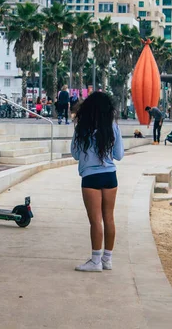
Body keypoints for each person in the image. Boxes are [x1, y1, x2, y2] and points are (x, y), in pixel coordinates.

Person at [71, 92, 124, 272]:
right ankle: (107, 259)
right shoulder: (113, 127)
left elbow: (75, 154)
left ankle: (95, 261)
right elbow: (119, 155)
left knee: (95, 221)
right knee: (109, 218)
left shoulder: (82, 127)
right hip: (110, 175)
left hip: (90, 177)